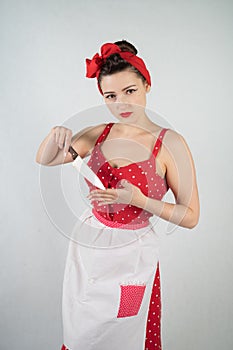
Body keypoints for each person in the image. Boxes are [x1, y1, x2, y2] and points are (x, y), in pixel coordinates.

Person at [36, 40, 200, 350]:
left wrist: (140, 201)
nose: (121, 103)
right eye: (110, 95)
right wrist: (53, 135)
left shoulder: (170, 144)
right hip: (89, 248)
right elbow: (45, 159)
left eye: (130, 91)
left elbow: (190, 216)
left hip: (133, 255)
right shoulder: (99, 133)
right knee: (83, 333)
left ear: (147, 84)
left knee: (127, 333)